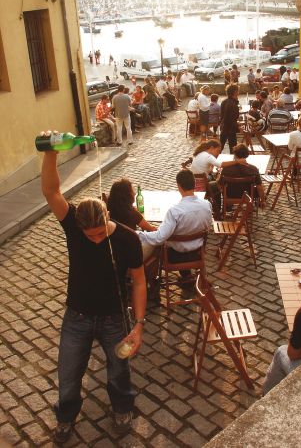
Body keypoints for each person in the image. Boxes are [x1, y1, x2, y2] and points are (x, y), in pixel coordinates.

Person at [40, 140, 146, 441]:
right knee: (69, 372)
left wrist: (138, 325)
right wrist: (50, 153)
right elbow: (51, 192)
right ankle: (66, 417)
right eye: (90, 235)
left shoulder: (127, 240)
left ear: (107, 219)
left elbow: (139, 281)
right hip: (77, 316)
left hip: (115, 318)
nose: (96, 239)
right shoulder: (74, 224)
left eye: (100, 233)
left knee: (118, 370)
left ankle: (122, 408)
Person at [138, 170, 213, 283]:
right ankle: (186, 275)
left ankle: (150, 281)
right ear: (194, 184)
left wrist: (139, 234)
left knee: (156, 245)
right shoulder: (207, 205)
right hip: (197, 252)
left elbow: (159, 238)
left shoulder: (175, 211)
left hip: (175, 256)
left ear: (179, 186)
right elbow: (208, 226)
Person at [220, 83, 240, 153]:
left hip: (224, 127)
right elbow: (232, 119)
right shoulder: (233, 104)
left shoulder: (224, 101)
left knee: (220, 147)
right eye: (238, 91)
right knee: (233, 149)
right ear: (235, 92)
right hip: (230, 129)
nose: (238, 92)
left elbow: (222, 116)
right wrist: (238, 127)